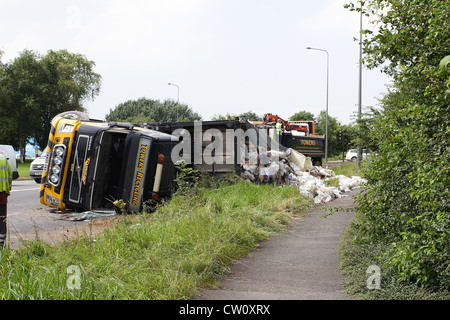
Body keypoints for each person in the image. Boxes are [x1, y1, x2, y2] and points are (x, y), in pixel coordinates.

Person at [0, 154, 12, 248]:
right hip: (2, 194)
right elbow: (10, 175)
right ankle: (1, 242)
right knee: (2, 218)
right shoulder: (3, 158)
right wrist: (8, 189)